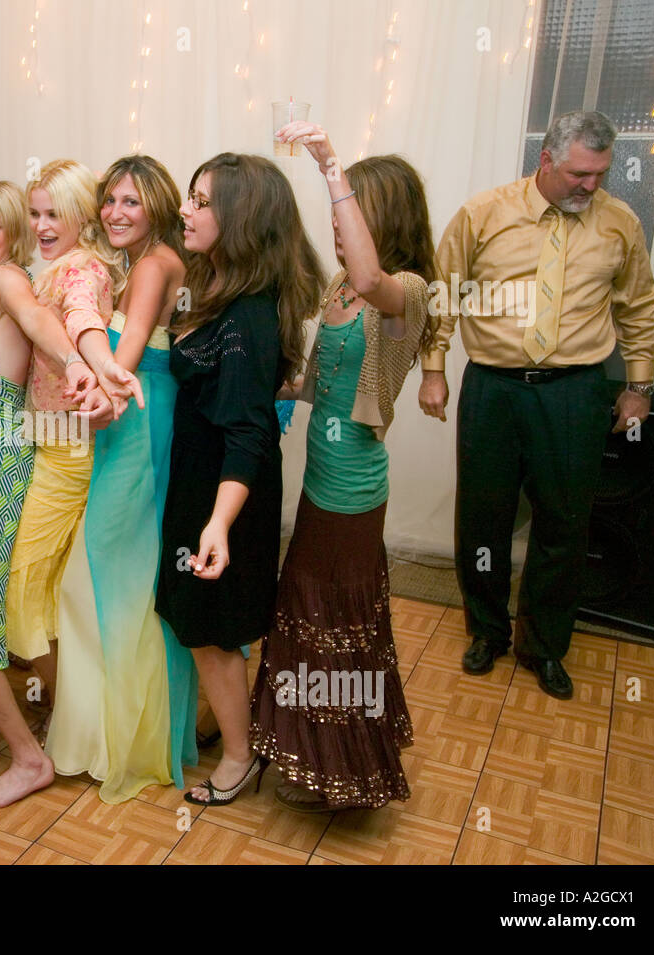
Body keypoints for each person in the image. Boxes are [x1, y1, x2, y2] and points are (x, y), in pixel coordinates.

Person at [418, 110, 654, 700]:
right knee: (484, 517)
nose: (591, 185)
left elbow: (638, 306)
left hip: (576, 392)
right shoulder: (485, 213)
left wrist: (639, 384)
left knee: (564, 522)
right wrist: (433, 369)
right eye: (580, 173)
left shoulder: (619, 223)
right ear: (546, 160)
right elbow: (442, 293)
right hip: (494, 389)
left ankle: (544, 645)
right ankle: (487, 631)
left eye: (600, 174)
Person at [0, 181, 134, 809]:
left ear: (11, 236)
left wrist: (74, 362)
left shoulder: (9, 281)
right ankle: (51, 726)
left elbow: (43, 320)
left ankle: (28, 757)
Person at [251, 124, 432, 812]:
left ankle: (348, 767)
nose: (336, 223)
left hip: (353, 492)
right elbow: (328, 380)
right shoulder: (338, 288)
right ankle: (314, 750)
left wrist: (330, 167)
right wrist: (279, 388)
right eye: (334, 212)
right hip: (317, 478)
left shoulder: (406, 292)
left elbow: (369, 275)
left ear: (382, 216)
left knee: (339, 627)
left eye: (350, 210)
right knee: (304, 617)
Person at [157, 153, 324, 808]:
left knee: (211, 629)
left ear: (241, 218)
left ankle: (238, 754)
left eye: (201, 201)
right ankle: (230, 729)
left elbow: (250, 432)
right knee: (201, 621)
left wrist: (218, 524)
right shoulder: (215, 286)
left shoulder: (248, 315)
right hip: (199, 486)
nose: (186, 210)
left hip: (224, 496)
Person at [45, 155, 198, 801]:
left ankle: (121, 739)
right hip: (137, 417)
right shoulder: (145, 261)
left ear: (157, 205)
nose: (113, 213)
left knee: (108, 573)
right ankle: (119, 731)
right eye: (109, 200)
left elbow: (132, 337)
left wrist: (110, 384)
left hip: (138, 419)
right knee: (122, 575)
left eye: (130, 202)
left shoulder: (158, 262)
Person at [7, 159, 136, 725]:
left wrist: (96, 364)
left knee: (26, 582)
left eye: (54, 212)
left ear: (82, 214)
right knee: (54, 587)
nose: (41, 225)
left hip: (70, 451)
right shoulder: (56, 267)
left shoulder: (81, 270)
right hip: (50, 443)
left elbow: (82, 317)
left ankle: (67, 712)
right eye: (34, 213)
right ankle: (69, 705)